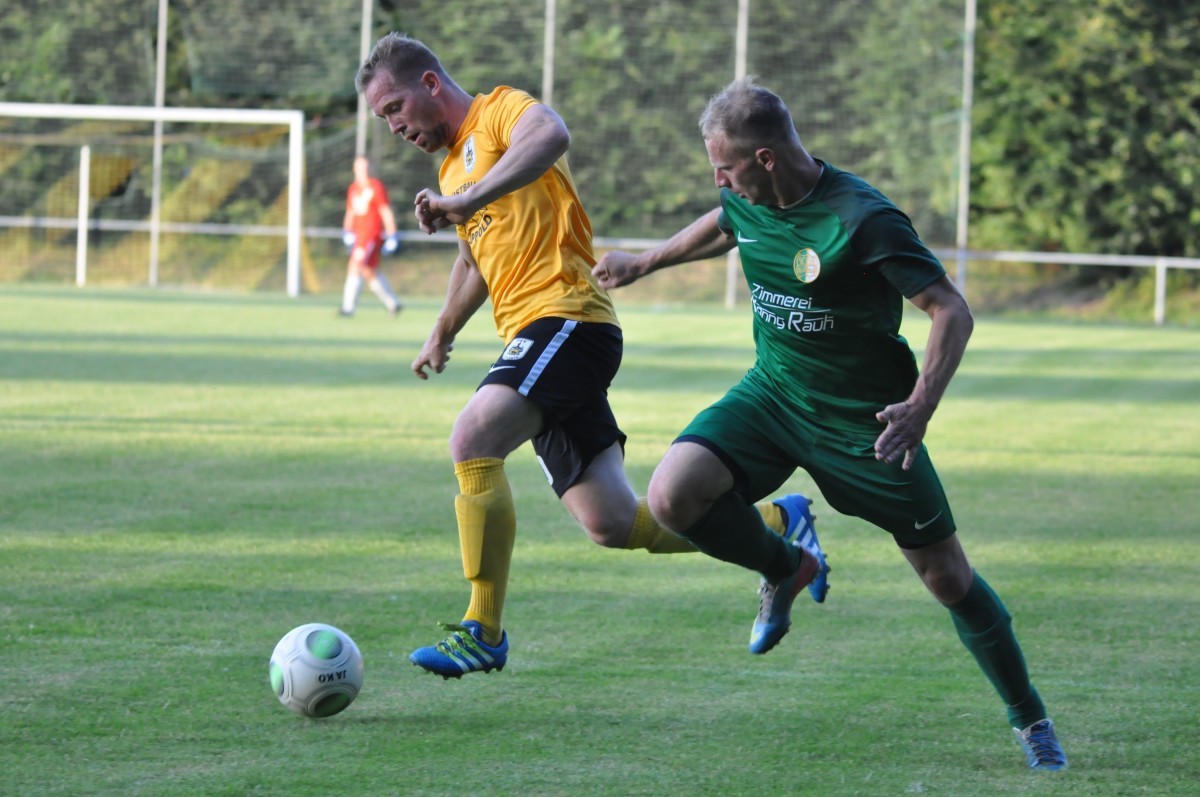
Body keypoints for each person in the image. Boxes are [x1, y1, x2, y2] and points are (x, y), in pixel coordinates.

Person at [592, 76, 1067, 771]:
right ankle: (786, 563)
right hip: (774, 395)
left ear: (766, 160)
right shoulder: (744, 197)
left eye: (725, 166)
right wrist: (645, 261)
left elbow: (950, 310)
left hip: (867, 423)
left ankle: (1031, 719)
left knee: (946, 576)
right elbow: (724, 222)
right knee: (671, 495)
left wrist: (921, 407)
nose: (718, 180)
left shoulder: (862, 218)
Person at [355, 35, 829, 680]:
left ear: (431, 84)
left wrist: (465, 201)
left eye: (394, 107)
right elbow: (473, 262)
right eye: (384, 118)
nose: (395, 126)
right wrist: (441, 329)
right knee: (612, 521)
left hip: (568, 319)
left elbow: (552, 134)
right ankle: (780, 521)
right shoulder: (449, 171)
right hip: (535, 335)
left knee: (472, 438)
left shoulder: (500, 112)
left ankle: (482, 628)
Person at [340, 155, 403, 317]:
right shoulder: (353, 189)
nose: (363, 171)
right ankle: (393, 304)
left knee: (354, 265)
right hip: (358, 234)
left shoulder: (376, 187)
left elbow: (385, 211)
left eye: (366, 167)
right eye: (360, 167)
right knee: (369, 271)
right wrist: (346, 231)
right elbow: (350, 212)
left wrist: (392, 234)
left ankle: (348, 308)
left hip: (370, 235)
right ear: (355, 169)